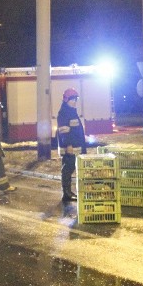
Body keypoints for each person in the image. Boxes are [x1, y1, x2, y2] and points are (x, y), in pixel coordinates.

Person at [57, 87, 86, 216]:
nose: (75, 101)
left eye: (76, 99)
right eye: (72, 99)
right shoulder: (64, 113)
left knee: (71, 168)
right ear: (66, 100)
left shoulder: (71, 111)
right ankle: (66, 194)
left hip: (75, 146)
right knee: (67, 169)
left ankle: (69, 192)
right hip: (70, 147)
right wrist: (68, 144)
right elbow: (64, 130)